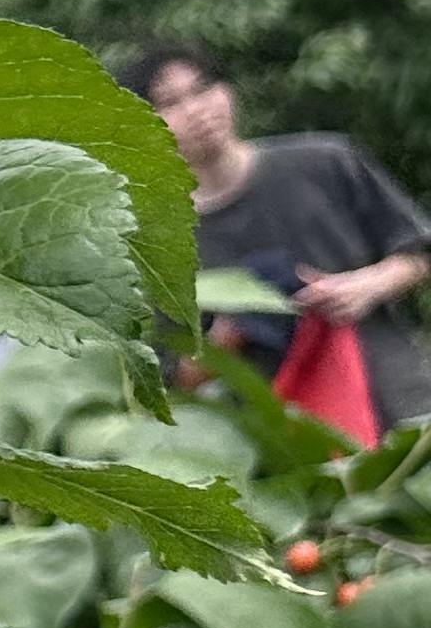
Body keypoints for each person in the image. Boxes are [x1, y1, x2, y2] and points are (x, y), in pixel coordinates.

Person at [121, 44, 431, 431]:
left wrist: (364, 286)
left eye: (203, 89)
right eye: (170, 103)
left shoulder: (325, 161)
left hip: (399, 402)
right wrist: (224, 341)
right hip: (282, 443)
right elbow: (171, 380)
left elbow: (418, 254)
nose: (195, 110)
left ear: (228, 91)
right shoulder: (157, 241)